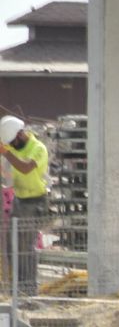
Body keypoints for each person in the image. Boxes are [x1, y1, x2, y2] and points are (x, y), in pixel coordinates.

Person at [1, 116, 49, 298]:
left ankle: (28, 289)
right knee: (12, 245)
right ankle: (18, 287)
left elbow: (26, 168)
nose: (12, 146)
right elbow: (10, 170)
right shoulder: (14, 147)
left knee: (26, 246)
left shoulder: (38, 149)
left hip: (35, 201)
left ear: (20, 134)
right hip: (19, 199)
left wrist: (5, 152)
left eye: (13, 142)